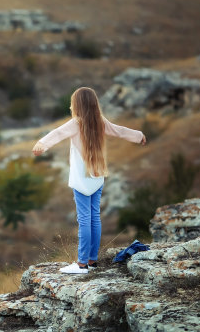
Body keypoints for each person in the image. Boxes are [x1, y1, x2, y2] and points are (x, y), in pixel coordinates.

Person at [32, 87, 146, 274]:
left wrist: (42, 144)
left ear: (76, 105)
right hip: (97, 177)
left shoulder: (76, 123)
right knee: (94, 218)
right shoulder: (100, 121)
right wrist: (139, 135)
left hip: (81, 180)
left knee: (84, 220)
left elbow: (57, 133)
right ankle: (92, 261)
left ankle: (82, 264)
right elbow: (120, 131)